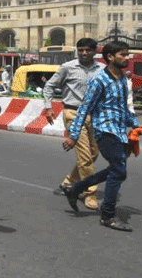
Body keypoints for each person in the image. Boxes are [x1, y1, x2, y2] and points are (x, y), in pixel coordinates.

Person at [62, 41, 142, 232]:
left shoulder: (122, 79)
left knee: (114, 169)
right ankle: (107, 215)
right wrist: (73, 136)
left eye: (127, 55)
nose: (126, 58)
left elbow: (122, 108)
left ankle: (75, 188)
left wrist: (138, 126)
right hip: (104, 131)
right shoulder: (98, 81)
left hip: (120, 131)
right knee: (119, 172)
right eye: (122, 55)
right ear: (110, 57)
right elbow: (84, 108)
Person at [43, 38, 104, 211]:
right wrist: (48, 108)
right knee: (84, 156)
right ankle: (89, 193)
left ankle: (69, 182)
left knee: (93, 153)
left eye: (88, 50)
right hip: (73, 113)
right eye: (81, 50)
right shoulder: (68, 67)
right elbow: (49, 86)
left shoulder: (102, 70)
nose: (84, 53)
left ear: (95, 51)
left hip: (95, 115)